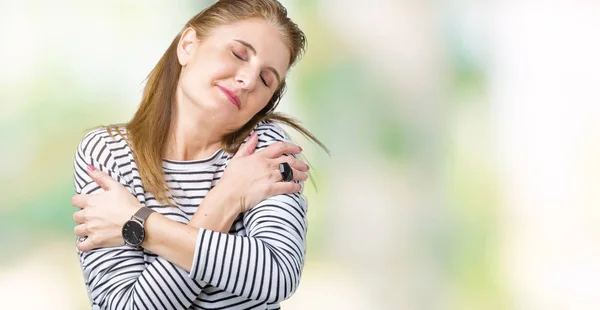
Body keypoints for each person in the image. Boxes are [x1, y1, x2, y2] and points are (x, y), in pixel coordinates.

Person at [70, 1, 327, 309]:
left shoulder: (265, 152)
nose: (247, 80)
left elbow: (276, 275)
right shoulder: (108, 153)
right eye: (238, 54)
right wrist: (226, 200)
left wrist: (138, 225)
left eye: (265, 80)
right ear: (188, 45)